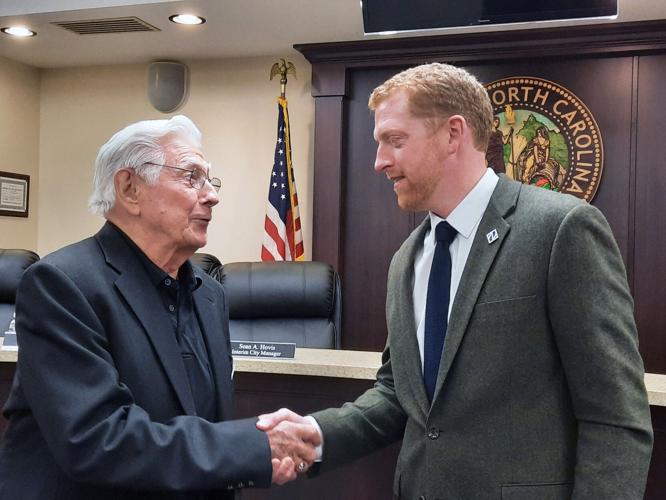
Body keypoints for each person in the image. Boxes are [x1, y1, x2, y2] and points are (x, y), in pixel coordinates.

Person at [257, 63, 654, 499]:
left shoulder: (562, 230)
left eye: (395, 140)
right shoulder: (407, 259)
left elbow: (615, 415)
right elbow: (398, 393)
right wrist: (318, 433)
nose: (378, 161)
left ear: (453, 134)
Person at [0, 116, 318, 500]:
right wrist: (252, 447)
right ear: (129, 188)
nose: (211, 195)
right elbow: (99, 439)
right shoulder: (61, 284)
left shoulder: (210, 295)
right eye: (191, 177)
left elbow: (208, 424)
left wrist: (249, 455)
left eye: (209, 180)